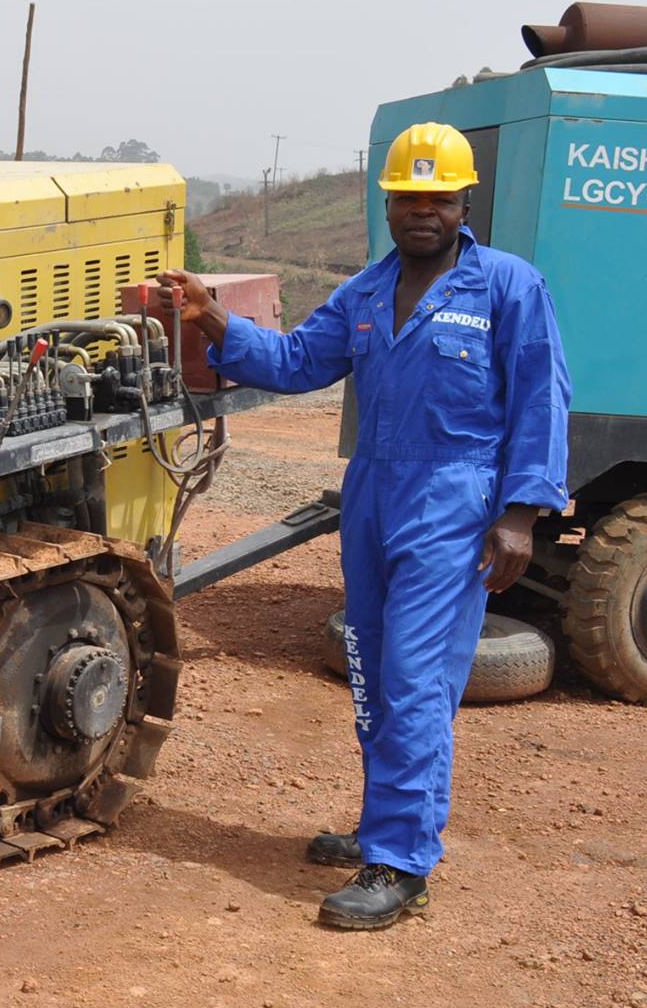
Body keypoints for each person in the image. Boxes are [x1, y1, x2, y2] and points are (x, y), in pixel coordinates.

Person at [156, 122, 571, 929]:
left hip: (454, 504)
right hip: (374, 495)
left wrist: (521, 514)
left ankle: (402, 864)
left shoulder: (507, 287)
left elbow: (542, 400)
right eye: (408, 197)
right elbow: (295, 363)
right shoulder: (367, 293)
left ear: (465, 202)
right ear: (389, 204)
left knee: (416, 678)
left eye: (438, 198)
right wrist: (211, 319)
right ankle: (387, 825)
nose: (423, 211)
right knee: (375, 673)